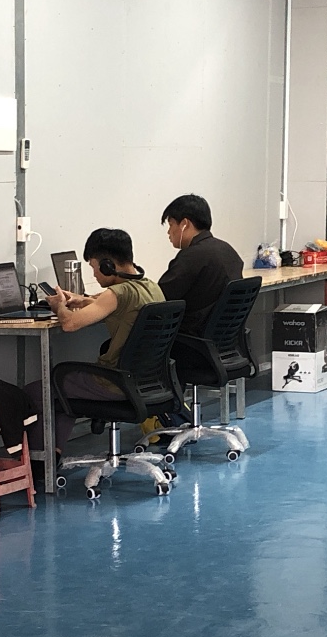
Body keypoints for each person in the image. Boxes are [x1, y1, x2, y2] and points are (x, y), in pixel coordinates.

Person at [29, 228, 164, 455]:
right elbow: (113, 304)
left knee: (40, 390)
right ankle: (53, 452)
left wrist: (59, 306)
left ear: (107, 265)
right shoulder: (151, 286)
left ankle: (41, 461)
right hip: (147, 381)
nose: (94, 275)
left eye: (94, 267)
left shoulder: (117, 293)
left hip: (114, 384)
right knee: (63, 389)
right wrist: (82, 300)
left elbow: (69, 324)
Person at [157, 193, 244, 337]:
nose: (168, 232)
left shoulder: (191, 256)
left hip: (191, 338)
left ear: (185, 224)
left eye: (171, 224)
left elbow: (160, 298)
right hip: (225, 337)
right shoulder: (228, 251)